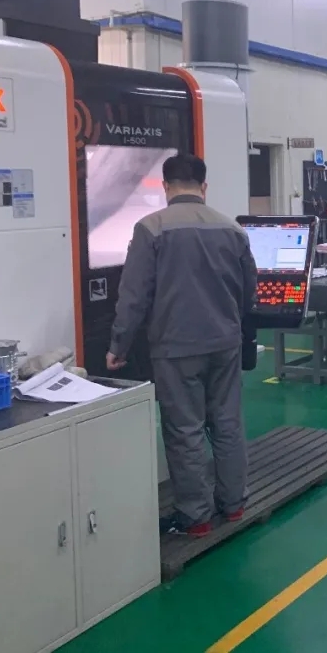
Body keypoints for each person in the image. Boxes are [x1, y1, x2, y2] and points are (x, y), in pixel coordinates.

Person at [107, 153, 257, 537]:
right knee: (227, 422)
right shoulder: (232, 229)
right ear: (204, 187)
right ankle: (234, 504)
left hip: (175, 348)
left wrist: (119, 345)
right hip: (225, 343)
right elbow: (249, 292)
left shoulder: (151, 228)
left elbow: (134, 296)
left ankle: (196, 516)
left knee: (185, 429)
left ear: (165, 187)